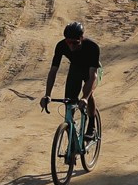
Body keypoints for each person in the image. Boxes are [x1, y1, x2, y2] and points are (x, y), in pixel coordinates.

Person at [42, 20, 102, 153]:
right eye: (69, 42)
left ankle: (91, 124)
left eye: (75, 43)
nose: (71, 46)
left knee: (87, 92)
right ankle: (72, 138)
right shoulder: (61, 46)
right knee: (69, 100)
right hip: (75, 68)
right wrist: (47, 94)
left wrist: (85, 97)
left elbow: (93, 77)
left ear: (81, 38)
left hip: (91, 70)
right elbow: (53, 71)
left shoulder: (92, 47)